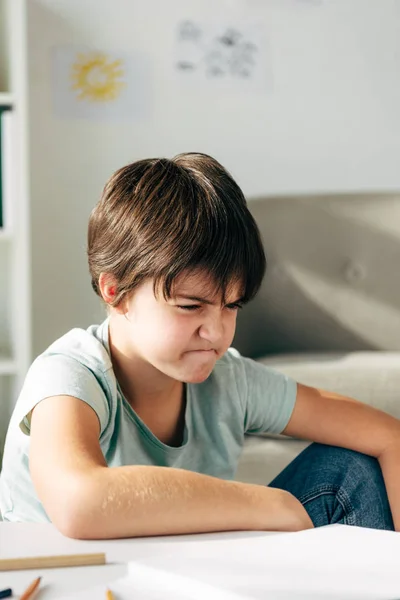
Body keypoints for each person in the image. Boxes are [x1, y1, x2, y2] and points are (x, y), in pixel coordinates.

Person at [0, 153, 398, 538]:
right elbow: (78, 503)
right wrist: (269, 505)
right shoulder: (69, 374)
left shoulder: (229, 380)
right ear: (115, 291)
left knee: (351, 468)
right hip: (72, 582)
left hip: (184, 572)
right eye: (191, 307)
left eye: (232, 306)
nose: (217, 332)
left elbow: (387, 436)